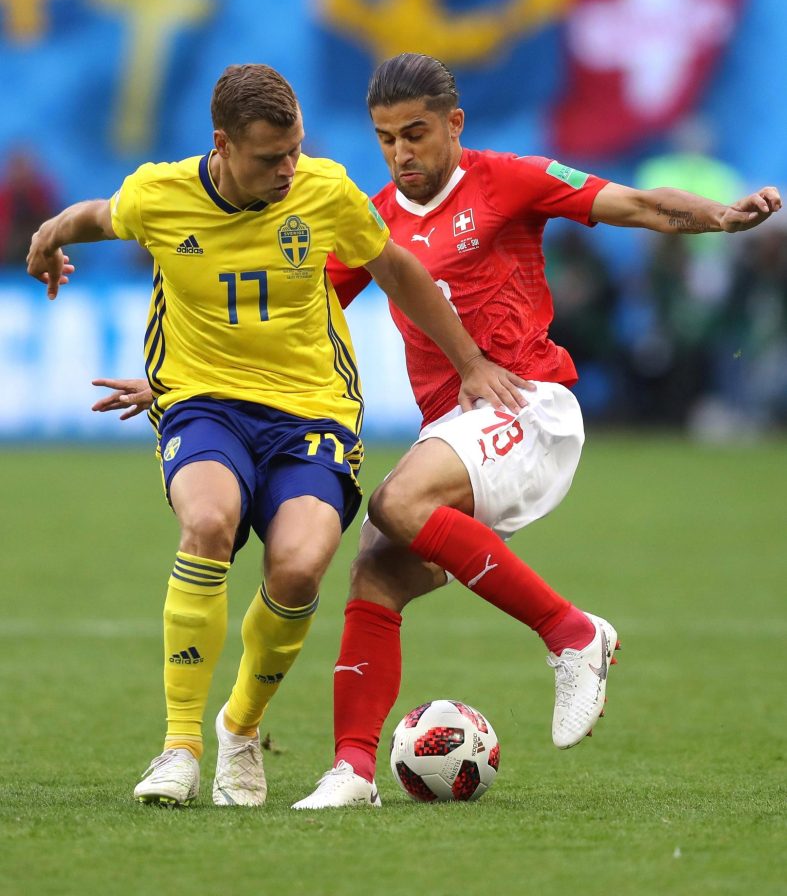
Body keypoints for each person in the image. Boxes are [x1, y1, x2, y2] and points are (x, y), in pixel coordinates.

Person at [93, 54, 781, 810]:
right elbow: (279, 317)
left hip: (526, 402)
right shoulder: (375, 216)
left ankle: (572, 634)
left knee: (393, 502)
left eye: (415, 133)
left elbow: (634, 204)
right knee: (375, 571)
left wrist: (719, 217)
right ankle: (352, 770)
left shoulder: (509, 179)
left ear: (453, 124)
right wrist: (178, 381)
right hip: (458, 427)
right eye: (386, 138)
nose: (401, 153)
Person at [26, 62, 527, 808]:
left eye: (294, 150)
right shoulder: (161, 194)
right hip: (203, 401)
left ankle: (240, 729)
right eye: (269, 158)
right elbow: (99, 216)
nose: (288, 169)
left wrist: (470, 362)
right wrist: (48, 236)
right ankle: (180, 746)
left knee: (297, 569)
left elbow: (394, 267)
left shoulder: (324, 192)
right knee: (207, 521)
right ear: (221, 145)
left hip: (311, 413)